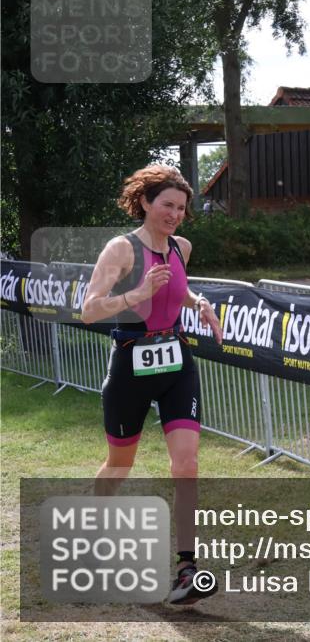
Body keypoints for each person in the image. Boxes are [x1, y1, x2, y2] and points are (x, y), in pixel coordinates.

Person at [81, 164, 223, 606]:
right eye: (167, 205)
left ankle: (187, 569)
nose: (175, 214)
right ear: (145, 202)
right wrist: (136, 295)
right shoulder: (120, 250)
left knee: (187, 463)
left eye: (181, 207)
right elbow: (88, 309)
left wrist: (198, 302)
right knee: (119, 464)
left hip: (177, 361)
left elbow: (176, 289)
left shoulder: (181, 247)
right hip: (130, 364)